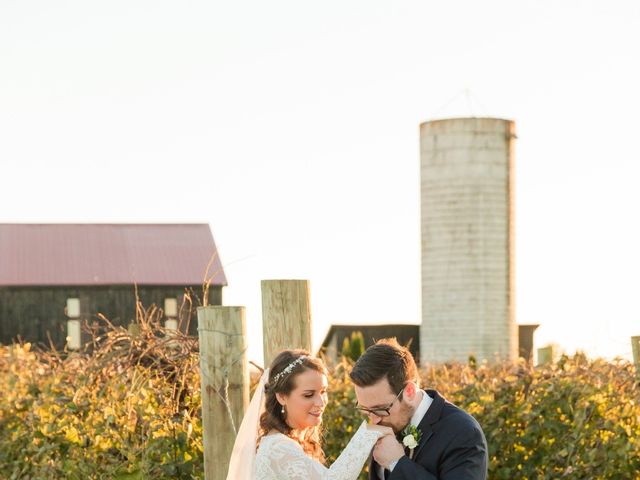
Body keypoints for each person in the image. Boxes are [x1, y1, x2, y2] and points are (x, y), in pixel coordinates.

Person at [226, 349, 394, 480]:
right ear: (282, 396)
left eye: (323, 391)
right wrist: (368, 434)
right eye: (308, 395)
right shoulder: (277, 447)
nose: (321, 403)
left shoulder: (290, 441)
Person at [350, 338, 488, 480]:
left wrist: (396, 463)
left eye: (380, 409)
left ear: (409, 391)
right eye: (366, 410)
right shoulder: (383, 424)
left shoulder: (464, 433)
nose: (374, 420)